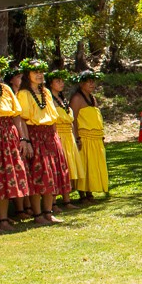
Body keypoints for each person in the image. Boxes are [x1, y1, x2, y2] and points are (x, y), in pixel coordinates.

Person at [16, 59, 70, 225]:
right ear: (28, 75)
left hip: (49, 135)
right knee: (37, 175)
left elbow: (53, 118)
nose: (39, 75)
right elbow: (23, 119)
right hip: (34, 135)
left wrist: (56, 138)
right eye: (35, 72)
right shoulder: (23, 94)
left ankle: (48, 212)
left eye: (41, 72)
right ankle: (38, 214)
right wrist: (26, 140)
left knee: (51, 174)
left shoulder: (46, 92)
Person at [0, 53, 30, 233]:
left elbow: (16, 115)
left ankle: (3, 219)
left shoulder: (5, 89)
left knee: (5, 178)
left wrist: (23, 138)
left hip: (8, 136)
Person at [70, 70, 108, 201]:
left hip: (95, 137)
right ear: (81, 83)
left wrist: (101, 136)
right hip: (84, 137)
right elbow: (72, 119)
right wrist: (76, 137)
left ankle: (90, 191)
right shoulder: (76, 98)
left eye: (93, 81)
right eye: (88, 81)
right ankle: (82, 193)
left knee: (93, 165)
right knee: (84, 164)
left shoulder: (93, 98)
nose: (92, 84)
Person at [47, 69, 82, 209]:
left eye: (62, 81)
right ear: (50, 84)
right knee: (58, 167)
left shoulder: (63, 99)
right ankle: (53, 202)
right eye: (57, 81)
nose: (61, 83)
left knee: (68, 168)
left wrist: (75, 138)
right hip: (58, 135)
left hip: (69, 136)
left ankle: (67, 200)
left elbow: (71, 122)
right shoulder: (49, 100)